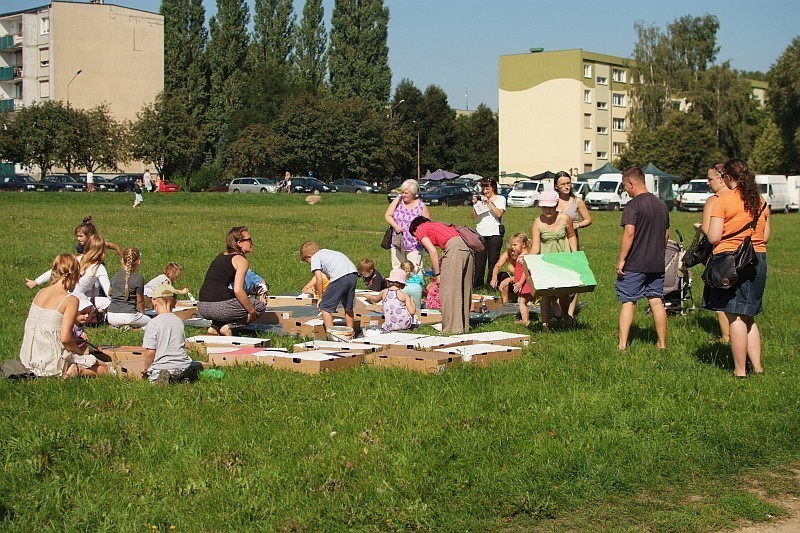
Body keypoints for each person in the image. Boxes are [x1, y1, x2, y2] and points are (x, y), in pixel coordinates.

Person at [703, 158, 770, 378]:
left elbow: (713, 236)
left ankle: (740, 370)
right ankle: (758, 367)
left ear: (728, 178)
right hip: (758, 259)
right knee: (749, 315)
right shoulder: (760, 201)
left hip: (732, 261)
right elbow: (765, 237)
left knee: (736, 317)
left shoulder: (724, 201)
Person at [19, 254, 108, 378]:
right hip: (50, 361)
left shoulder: (41, 292)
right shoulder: (70, 299)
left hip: (29, 356)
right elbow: (65, 338)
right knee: (105, 368)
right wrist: (79, 351)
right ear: (73, 276)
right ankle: (75, 370)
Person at [616, 167, 670, 351]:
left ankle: (622, 344)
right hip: (657, 262)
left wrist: (622, 259)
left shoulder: (633, 205)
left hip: (635, 262)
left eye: (625, 186)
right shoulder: (661, 204)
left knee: (628, 301)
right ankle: (662, 343)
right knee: (656, 301)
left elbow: (629, 232)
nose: (626, 190)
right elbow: (666, 233)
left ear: (631, 183)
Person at [409, 216, 474, 334]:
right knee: (464, 288)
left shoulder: (420, 229)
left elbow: (432, 251)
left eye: (415, 237)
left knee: (448, 290)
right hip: (468, 248)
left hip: (454, 248)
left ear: (415, 228)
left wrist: (437, 274)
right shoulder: (439, 224)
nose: (417, 240)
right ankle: (464, 326)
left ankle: (452, 329)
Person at [197, 227, 266, 336]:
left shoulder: (220, 256)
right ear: (239, 243)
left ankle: (215, 327)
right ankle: (228, 327)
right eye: (249, 239)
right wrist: (251, 311)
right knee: (259, 306)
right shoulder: (241, 260)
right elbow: (238, 290)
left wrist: (250, 292)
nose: (252, 242)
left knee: (231, 305)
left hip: (202, 306)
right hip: (219, 307)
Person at [25, 216, 121, 289]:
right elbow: (57, 269)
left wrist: (122, 257)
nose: (78, 239)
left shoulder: (98, 246)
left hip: (92, 271)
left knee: (96, 286)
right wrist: (36, 282)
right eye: (77, 236)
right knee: (64, 267)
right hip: (83, 265)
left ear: (90, 236)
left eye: (80, 236)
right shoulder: (79, 255)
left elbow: (116, 247)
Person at [694, 163, 732, 343]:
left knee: (720, 296)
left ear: (721, 178)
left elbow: (710, 232)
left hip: (721, 253)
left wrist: (700, 227)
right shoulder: (741, 197)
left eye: (710, 179)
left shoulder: (714, 200)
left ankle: (726, 336)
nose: (708, 183)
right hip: (745, 254)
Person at [531, 190, 578, 330]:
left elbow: (571, 235)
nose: (548, 210)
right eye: (544, 207)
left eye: (551, 206)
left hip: (563, 258)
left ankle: (566, 317)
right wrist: (527, 258)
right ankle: (545, 325)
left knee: (563, 293)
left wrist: (574, 254)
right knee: (546, 293)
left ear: (556, 204)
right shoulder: (537, 223)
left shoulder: (565, 218)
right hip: (546, 260)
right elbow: (535, 246)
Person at [142, 283, 202, 385]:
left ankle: (160, 381)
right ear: (175, 304)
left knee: (153, 378)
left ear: (154, 301)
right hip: (183, 365)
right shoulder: (179, 321)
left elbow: (150, 352)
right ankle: (180, 378)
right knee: (179, 371)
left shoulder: (153, 323)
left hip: (162, 366)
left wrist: (146, 369)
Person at [555, 170, 592, 317]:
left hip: (572, 241)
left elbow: (588, 219)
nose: (566, 186)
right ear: (556, 186)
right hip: (556, 242)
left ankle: (570, 311)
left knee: (575, 276)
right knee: (557, 275)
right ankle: (557, 306)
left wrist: (578, 225)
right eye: (563, 184)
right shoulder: (553, 201)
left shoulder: (577, 201)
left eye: (568, 183)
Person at [300, 241, 358, 330]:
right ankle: (350, 332)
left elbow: (319, 279)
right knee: (348, 307)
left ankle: (331, 333)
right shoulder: (328, 252)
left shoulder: (315, 257)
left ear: (308, 256)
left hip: (340, 276)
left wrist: (321, 297)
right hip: (353, 274)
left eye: (308, 262)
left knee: (325, 307)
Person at [384, 179, 431, 271]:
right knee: (397, 269)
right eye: (402, 192)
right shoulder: (398, 200)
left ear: (413, 194)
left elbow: (428, 225)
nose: (403, 195)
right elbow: (388, 215)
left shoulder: (421, 206)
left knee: (414, 270)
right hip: (398, 241)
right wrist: (395, 226)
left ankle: (414, 285)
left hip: (414, 244)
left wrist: (419, 235)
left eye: (406, 193)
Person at [471, 178, 506, 288]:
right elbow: (474, 216)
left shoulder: (500, 199)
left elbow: (499, 214)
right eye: (484, 189)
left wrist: (489, 202)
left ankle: (491, 284)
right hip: (481, 232)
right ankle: (477, 285)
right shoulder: (481, 199)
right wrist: (475, 204)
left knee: (493, 260)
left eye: (487, 188)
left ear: (493, 188)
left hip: (494, 233)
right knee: (479, 261)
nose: (485, 191)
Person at [107, 247, 151, 329]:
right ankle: (132, 329)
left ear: (123, 260)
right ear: (139, 262)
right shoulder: (138, 278)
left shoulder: (116, 275)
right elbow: (140, 301)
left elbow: (109, 293)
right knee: (151, 323)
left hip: (111, 315)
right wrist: (142, 314)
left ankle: (116, 327)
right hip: (129, 315)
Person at [71, 234, 112, 312]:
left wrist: (39, 281)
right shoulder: (99, 267)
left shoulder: (76, 258)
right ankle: (95, 313)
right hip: (77, 301)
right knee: (108, 302)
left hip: (63, 296)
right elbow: (108, 292)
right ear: (103, 251)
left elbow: (52, 272)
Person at [505, 233, 534, 326]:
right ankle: (524, 318)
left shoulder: (523, 257)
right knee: (522, 301)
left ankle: (525, 320)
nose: (512, 247)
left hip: (524, 284)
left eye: (515, 245)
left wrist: (520, 282)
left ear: (524, 244)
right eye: (512, 245)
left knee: (521, 301)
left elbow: (525, 271)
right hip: (523, 283)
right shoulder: (522, 255)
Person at [489, 238, 520, 304]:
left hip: (523, 282)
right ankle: (505, 302)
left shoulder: (524, 256)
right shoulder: (507, 254)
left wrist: (509, 279)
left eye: (514, 251)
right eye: (510, 251)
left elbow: (526, 275)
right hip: (513, 282)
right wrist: (494, 277)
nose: (512, 253)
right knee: (502, 275)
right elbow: (497, 266)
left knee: (506, 279)